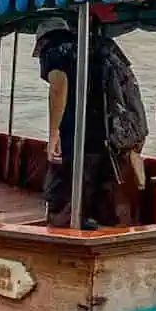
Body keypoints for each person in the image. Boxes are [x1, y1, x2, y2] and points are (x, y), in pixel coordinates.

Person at [35, 16, 116, 228]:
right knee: (89, 192)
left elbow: (58, 86)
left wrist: (54, 134)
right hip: (103, 134)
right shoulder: (92, 49)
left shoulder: (53, 52)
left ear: (43, 41)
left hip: (73, 134)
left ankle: (59, 239)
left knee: (60, 199)